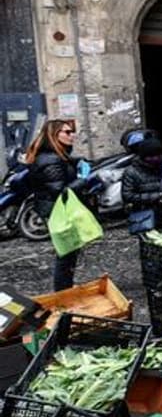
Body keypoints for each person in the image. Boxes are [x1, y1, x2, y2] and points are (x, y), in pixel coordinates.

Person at [26, 120, 84, 290]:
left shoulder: (55, 156)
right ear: (54, 135)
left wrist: (76, 162)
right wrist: (83, 180)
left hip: (59, 209)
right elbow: (59, 191)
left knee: (70, 252)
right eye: (67, 132)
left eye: (72, 131)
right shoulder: (50, 160)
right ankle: (63, 293)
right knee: (66, 254)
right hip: (57, 211)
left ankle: (66, 288)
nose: (72, 135)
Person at [122, 137, 162, 233]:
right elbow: (128, 195)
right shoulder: (131, 172)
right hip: (144, 216)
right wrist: (156, 196)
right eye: (152, 156)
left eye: (159, 155)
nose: (156, 158)